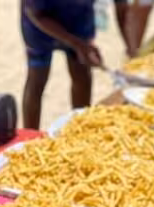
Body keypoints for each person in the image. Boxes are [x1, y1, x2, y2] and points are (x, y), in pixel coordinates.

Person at [21, 0, 140, 129]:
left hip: (79, 19)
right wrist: (77, 44)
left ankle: (80, 128)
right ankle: (30, 136)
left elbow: (121, 7)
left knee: (82, 76)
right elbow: (35, 14)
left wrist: (131, 48)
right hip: (39, 25)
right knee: (37, 79)